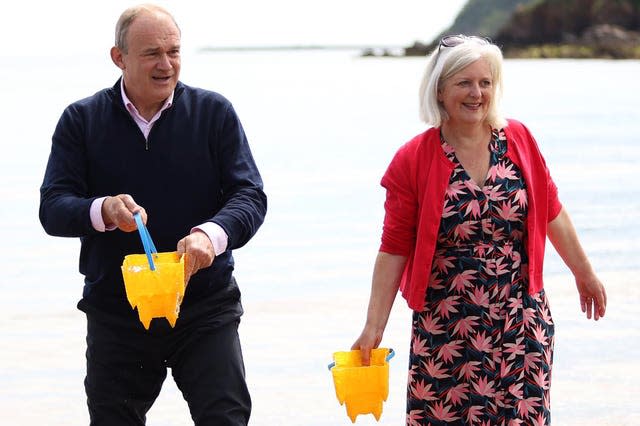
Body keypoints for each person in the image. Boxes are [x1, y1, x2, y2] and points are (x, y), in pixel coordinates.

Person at [351, 35, 607, 425]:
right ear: (440, 90)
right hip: (448, 329)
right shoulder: (413, 158)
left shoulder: (518, 139)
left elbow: (551, 208)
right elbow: (394, 246)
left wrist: (584, 273)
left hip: (521, 322)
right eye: (464, 83)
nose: (476, 93)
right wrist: (374, 326)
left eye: (485, 83)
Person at [39, 4, 266, 425]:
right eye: (151, 54)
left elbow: (250, 196)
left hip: (203, 306)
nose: (166, 64)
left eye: (174, 51)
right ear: (119, 57)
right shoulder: (81, 120)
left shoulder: (214, 113)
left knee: (226, 418)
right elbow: (52, 208)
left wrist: (210, 235)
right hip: (117, 311)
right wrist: (102, 210)